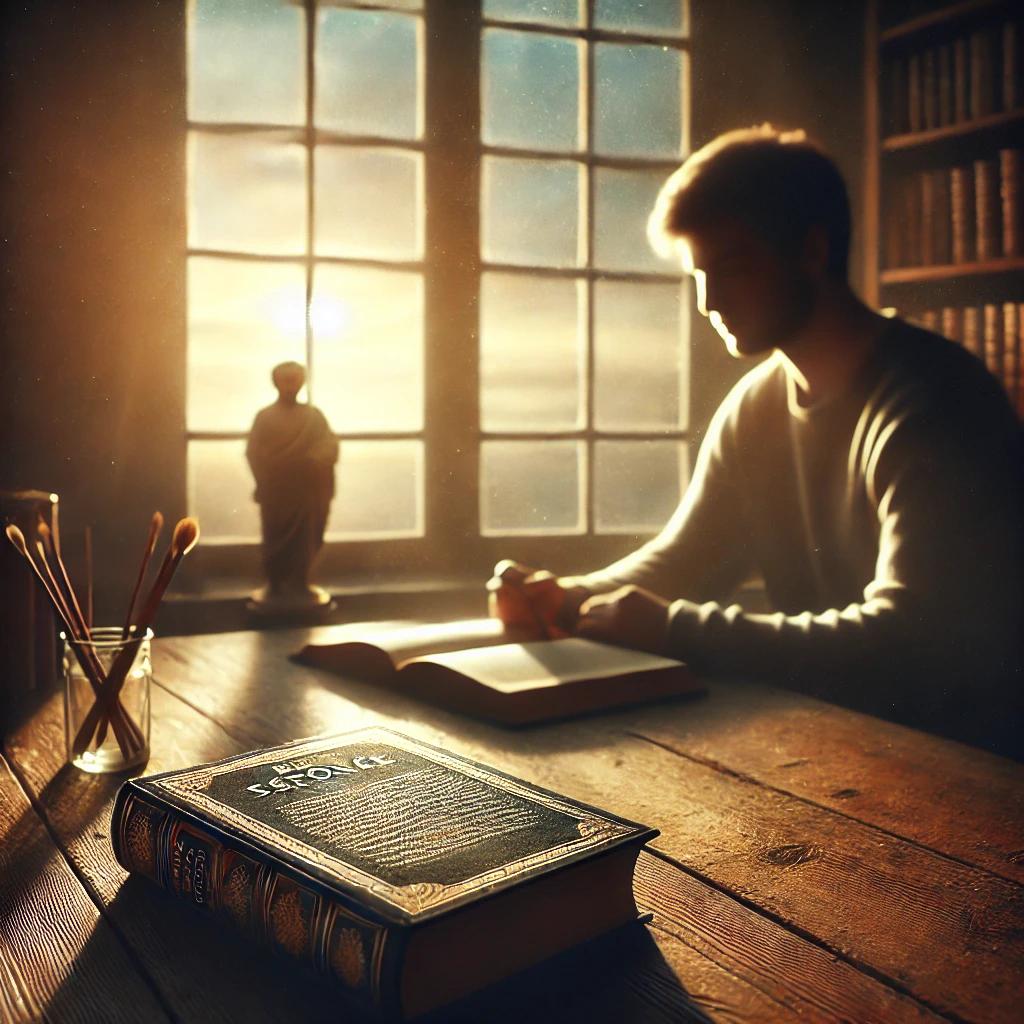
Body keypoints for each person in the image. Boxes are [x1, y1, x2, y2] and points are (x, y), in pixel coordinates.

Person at [489, 125, 1024, 759]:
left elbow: (909, 640)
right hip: (840, 742)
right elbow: (685, 558)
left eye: (732, 266)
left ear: (811, 250)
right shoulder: (757, 403)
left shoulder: (935, 400)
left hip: (972, 771)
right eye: (697, 274)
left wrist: (675, 628)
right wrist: (572, 595)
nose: (709, 301)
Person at [246, 361, 338, 608]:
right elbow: (254, 452)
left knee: (307, 538)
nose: (291, 385)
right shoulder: (265, 417)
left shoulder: (313, 416)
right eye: (285, 380)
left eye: (296, 379)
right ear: (275, 382)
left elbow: (329, 445)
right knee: (275, 536)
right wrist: (268, 474)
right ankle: (276, 584)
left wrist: (313, 459)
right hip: (277, 491)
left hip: (306, 490)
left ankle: (300, 581)